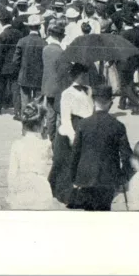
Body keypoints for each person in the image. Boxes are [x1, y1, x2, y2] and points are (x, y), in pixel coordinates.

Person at [71, 84, 133, 211]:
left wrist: (73, 176)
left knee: (88, 214)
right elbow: (127, 155)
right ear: (110, 103)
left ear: (93, 101)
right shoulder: (118, 125)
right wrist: (123, 176)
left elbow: (75, 153)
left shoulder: (82, 124)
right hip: (108, 179)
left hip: (85, 177)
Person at [48, 62, 94, 206]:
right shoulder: (67, 93)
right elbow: (65, 118)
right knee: (70, 163)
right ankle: (69, 193)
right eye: (83, 75)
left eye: (86, 74)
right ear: (77, 76)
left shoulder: (88, 90)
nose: (85, 77)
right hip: (74, 127)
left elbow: (91, 109)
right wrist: (72, 136)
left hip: (87, 126)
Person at [7, 102, 54, 210]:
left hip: (21, 187)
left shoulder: (17, 144)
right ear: (42, 123)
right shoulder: (46, 144)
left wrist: (11, 192)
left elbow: (12, 172)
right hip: (41, 187)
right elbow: (48, 166)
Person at [0, 10, 23, 117]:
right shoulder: (19, 33)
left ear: (1, 22)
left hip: (3, 66)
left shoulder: (2, 36)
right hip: (16, 65)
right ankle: (17, 111)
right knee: (15, 89)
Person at [13, 14, 46, 111]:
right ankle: (37, 122)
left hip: (24, 75)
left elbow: (16, 60)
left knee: (25, 101)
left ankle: (26, 122)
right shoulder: (44, 43)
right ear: (39, 27)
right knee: (38, 102)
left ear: (28, 27)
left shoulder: (22, 41)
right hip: (39, 77)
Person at [41, 23, 65, 141]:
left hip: (48, 85)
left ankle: (51, 136)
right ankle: (59, 139)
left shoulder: (45, 49)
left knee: (50, 114)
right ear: (61, 37)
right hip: (59, 87)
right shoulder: (61, 52)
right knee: (60, 114)